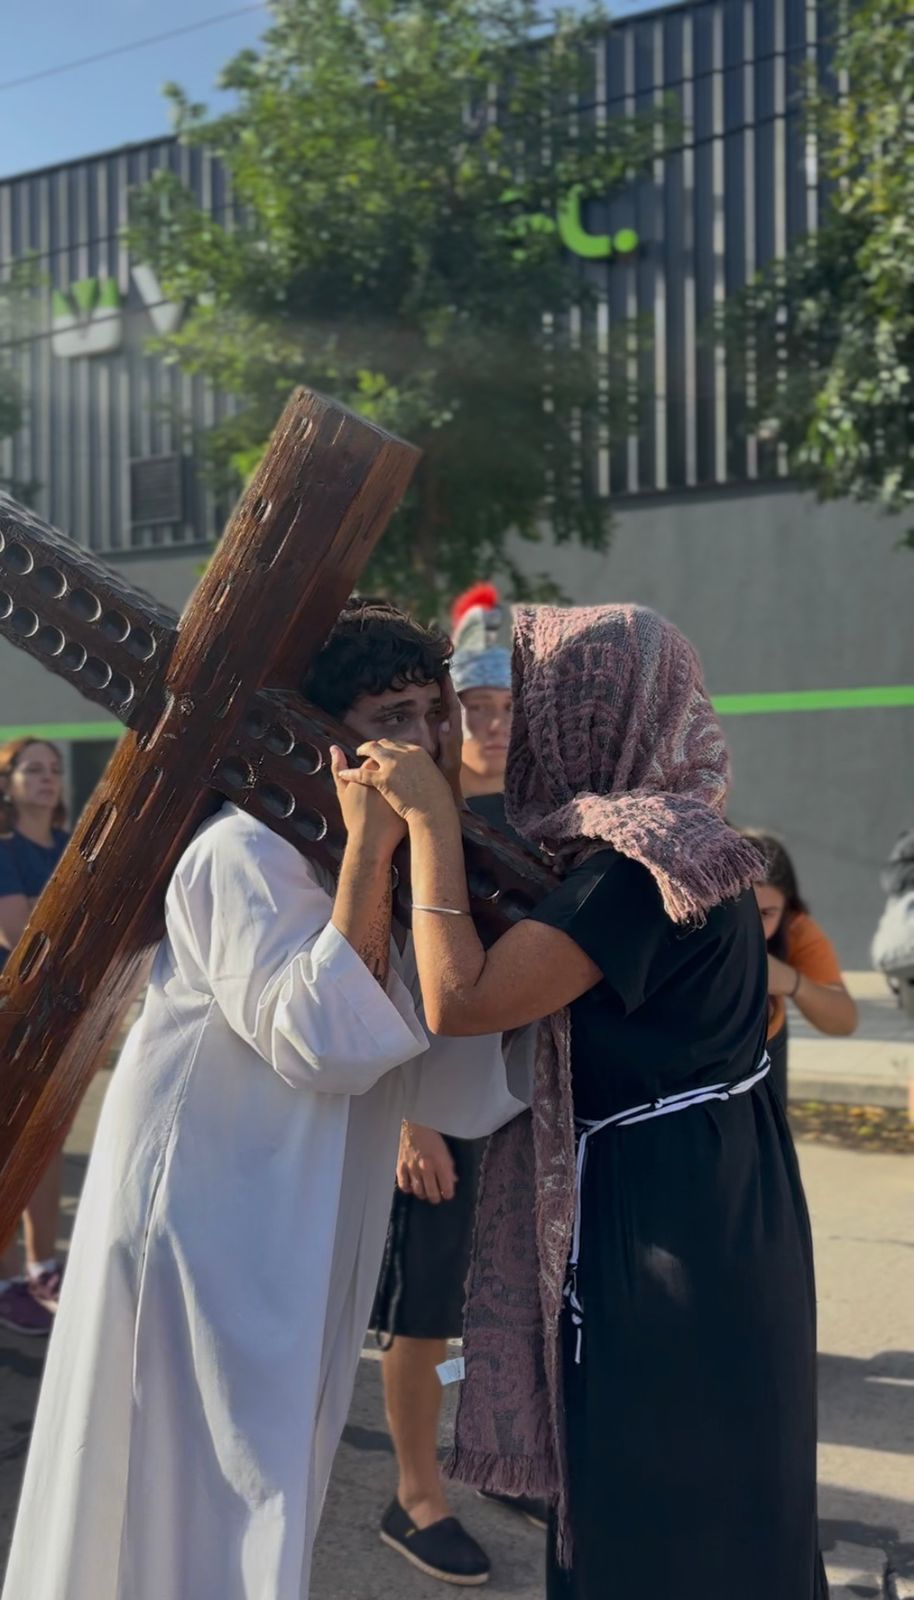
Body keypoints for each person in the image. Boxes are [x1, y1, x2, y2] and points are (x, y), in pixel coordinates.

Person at [1, 598, 532, 1600]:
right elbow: (324, 1041)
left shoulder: (371, 857)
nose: (422, 742)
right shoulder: (246, 852)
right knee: (171, 1493)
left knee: (264, 1482)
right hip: (202, 1227)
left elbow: (443, 1053)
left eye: (432, 714)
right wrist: (377, 850)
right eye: (389, 719)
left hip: (298, 1223)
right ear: (323, 736)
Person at [338, 603, 829, 1600]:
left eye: (540, 702)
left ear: (593, 713)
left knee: (651, 1494)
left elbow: (464, 999)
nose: (521, 727)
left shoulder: (637, 866)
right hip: (720, 1189)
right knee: (731, 1482)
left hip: (658, 1220)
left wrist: (427, 821)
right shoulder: (683, 836)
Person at [373, 584, 541, 1588]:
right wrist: (407, 1118)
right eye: (471, 706)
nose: (488, 722)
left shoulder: (541, 815)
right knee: (425, 1310)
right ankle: (414, 1493)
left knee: (509, 1302)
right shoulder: (413, 815)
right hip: (434, 1110)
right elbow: (385, 972)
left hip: (519, 1107)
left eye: (504, 705)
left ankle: (499, 1455)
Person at [0, 737, 70, 1337]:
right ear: (8, 783)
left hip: (58, 1016)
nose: (48, 778)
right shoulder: (4, 850)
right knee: (10, 1145)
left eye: (54, 769)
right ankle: (5, 1283)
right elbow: (23, 933)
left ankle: (43, 1267)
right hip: (11, 1015)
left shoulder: (72, 845)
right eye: (33, 770)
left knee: (47, 1141)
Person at [744, 830, 857, 1104]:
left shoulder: (795, 928)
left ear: (787, 908)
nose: (752, 927)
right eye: (742, 911)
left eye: (766, 914)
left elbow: (844, 1021)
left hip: (766, 1047)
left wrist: (792, 982)